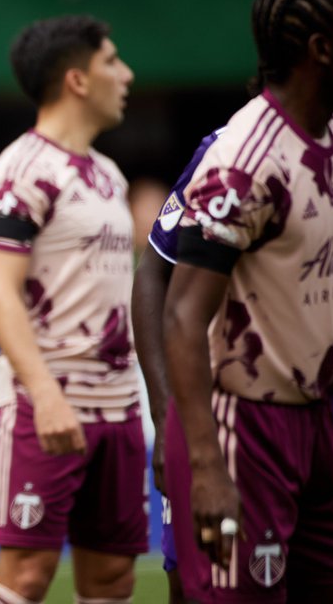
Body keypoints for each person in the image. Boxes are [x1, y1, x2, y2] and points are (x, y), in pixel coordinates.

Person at [162, 0, 333, 602]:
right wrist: (204, 466)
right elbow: (180, 315)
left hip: (318, 420)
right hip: (246, 424)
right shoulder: (242, 162)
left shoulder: (331, 138)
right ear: (321, 49)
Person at [0, 15, 146, 604]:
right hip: (44, 403)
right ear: (77, 79)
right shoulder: (20, 173)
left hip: (119, 407)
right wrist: (44, 393)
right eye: (112, 62)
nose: (126, 75)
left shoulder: (109, 175)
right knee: (26, 578)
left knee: (112, 580)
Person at [131, 129, 224, 604]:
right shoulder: (228, 149)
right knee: (190, 582)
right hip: (223, 408)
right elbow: (153, 272)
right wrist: (165, 417)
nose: (125, 75)